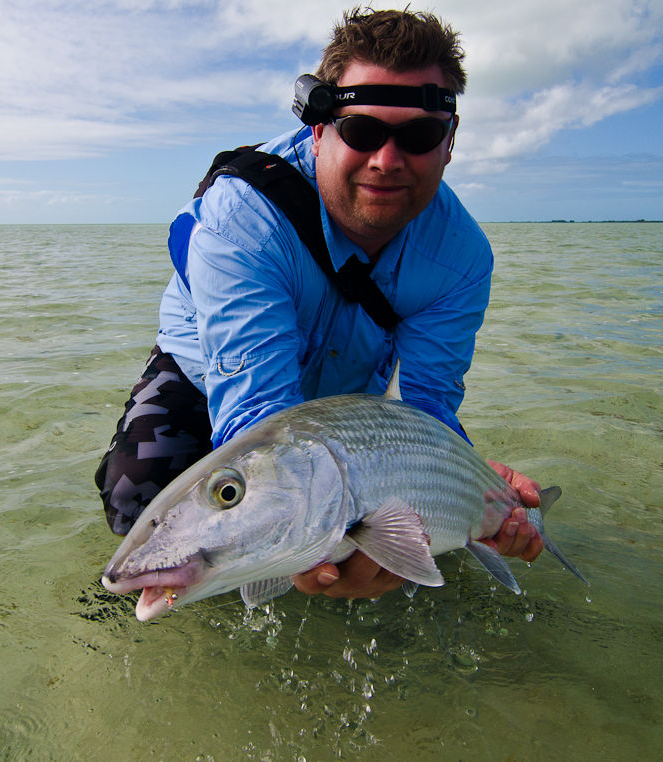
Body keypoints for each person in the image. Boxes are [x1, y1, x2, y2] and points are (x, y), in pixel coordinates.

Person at [95, 8, 544, 600]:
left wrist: (463, 495)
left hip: (350, 398)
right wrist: (293, 544)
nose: (387, 160)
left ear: (450, 142)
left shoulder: (462, 259)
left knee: (412, 562)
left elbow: (427, 407)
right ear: (318, 129)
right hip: (212, 373)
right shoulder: (241, 220)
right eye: (361, 131)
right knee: (138, 492)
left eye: (417, 136)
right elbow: (256, 406)